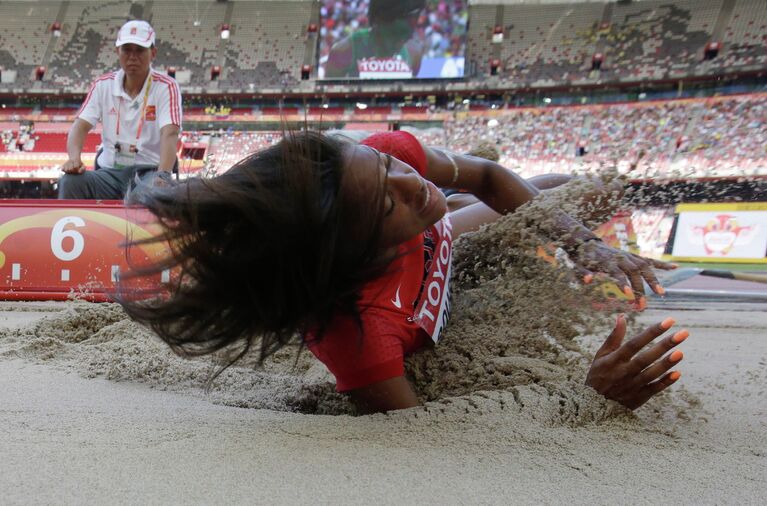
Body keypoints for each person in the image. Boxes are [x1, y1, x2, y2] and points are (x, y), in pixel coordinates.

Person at [119, 130, 686, 414]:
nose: (412, 182)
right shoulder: (359, 340)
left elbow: (486, 174)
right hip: (414, 296)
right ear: (355, 254)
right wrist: (587, 397)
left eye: (389, 167)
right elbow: (423, 431)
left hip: (444, 245)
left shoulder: (384, 160)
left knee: (563, 188)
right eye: (387, 204)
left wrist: (589, 248)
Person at [58, 20, 182, 199]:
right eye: (127, 49)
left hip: (148, 172)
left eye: (139, 50)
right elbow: (80, 126)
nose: (132, 56)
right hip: (109, 173)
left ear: (153, 53)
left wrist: (163, 174)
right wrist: (74, 158)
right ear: (117, 52)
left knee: (153, 191)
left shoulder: (166, 86)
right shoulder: (103, 85)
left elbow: (170, 133)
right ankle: (72, 227)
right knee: (71, 182)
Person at [325, 0, 426, 78]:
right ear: (377, 22)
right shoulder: (344, 51)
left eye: (404, 37)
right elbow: (327, 98)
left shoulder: (414, 53)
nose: (398, 43)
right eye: (393, 34)